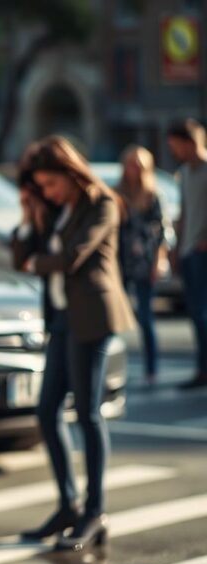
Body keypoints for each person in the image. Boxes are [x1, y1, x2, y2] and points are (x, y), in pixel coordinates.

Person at [11, 136, 135, 552]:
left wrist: (37, 261)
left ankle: (94, 512)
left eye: (51, 183)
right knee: (47, 411)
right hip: (62, 320)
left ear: (69, 172)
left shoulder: (101, 202)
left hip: (93, 318)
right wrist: (29, 216)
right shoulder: (53, 209)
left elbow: (72, 257)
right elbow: (20, 257)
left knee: (87, 413)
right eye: (41, 187)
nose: (47, 192)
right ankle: (68, 505)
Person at [116, 145, 165, 386]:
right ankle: (113, 366)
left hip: (144, 261)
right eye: (131, 164)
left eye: (139, 165)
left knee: (145, 318)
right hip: (121, 260)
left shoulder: (152, 195)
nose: (134, 169)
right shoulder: (117, 193)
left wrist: (158, 261)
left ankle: (151, 369)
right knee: (114, 317)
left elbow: (160, 233)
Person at [167, 119, 207, 390]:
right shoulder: (184, 173)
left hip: (203, 250)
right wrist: (176, 247)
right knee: (195, 313)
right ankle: (202, 369)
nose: (174, 151)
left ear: (190, 142)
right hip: (188, 250)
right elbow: (182, 214)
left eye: (176, 146)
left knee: (203, 313)